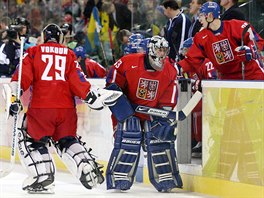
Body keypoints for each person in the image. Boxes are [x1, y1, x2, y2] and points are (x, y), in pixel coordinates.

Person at [8, 23, 122, 194]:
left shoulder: (33, 52)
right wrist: (90, 96)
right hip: (66, 110)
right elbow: (78, 81)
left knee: (32, 139)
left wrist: (15, 98)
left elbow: (22, 77)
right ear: (60, 37)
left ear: (44, 37)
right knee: (67, 140)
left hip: (42, 107)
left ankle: (43, 176)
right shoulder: (69, 54)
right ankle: (83, 162)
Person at [105, 35, 183, 192]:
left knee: (159, 139)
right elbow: (112, 84)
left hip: (151, 114)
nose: (162, 55)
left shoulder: (170, 69)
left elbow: (168, 99)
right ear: (151, 50)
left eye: (164, 51)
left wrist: (164, 119)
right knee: (129, 133)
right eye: (159, 50)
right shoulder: (129, 62)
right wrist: (121, 106)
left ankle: (166, 176)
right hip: (128, 111)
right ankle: (120, 176)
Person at [177, 2, 264, 80]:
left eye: (201, 16)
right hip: (227, 80)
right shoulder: (200, 38)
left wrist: (250, 50)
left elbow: (258, 41)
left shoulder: (237, 26)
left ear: (210, 16)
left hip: (251, 76)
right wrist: (176, 68)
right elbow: (192, 60)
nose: (199, 20)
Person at [179, 37, 217, 158]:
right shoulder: (187, 64)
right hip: (194, 98)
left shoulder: (207, 62)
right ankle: (192, 140)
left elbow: (212, 82)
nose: (184, 53)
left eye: (186, 50)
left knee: (198, 108)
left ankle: (202, 140)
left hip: (209, 99)